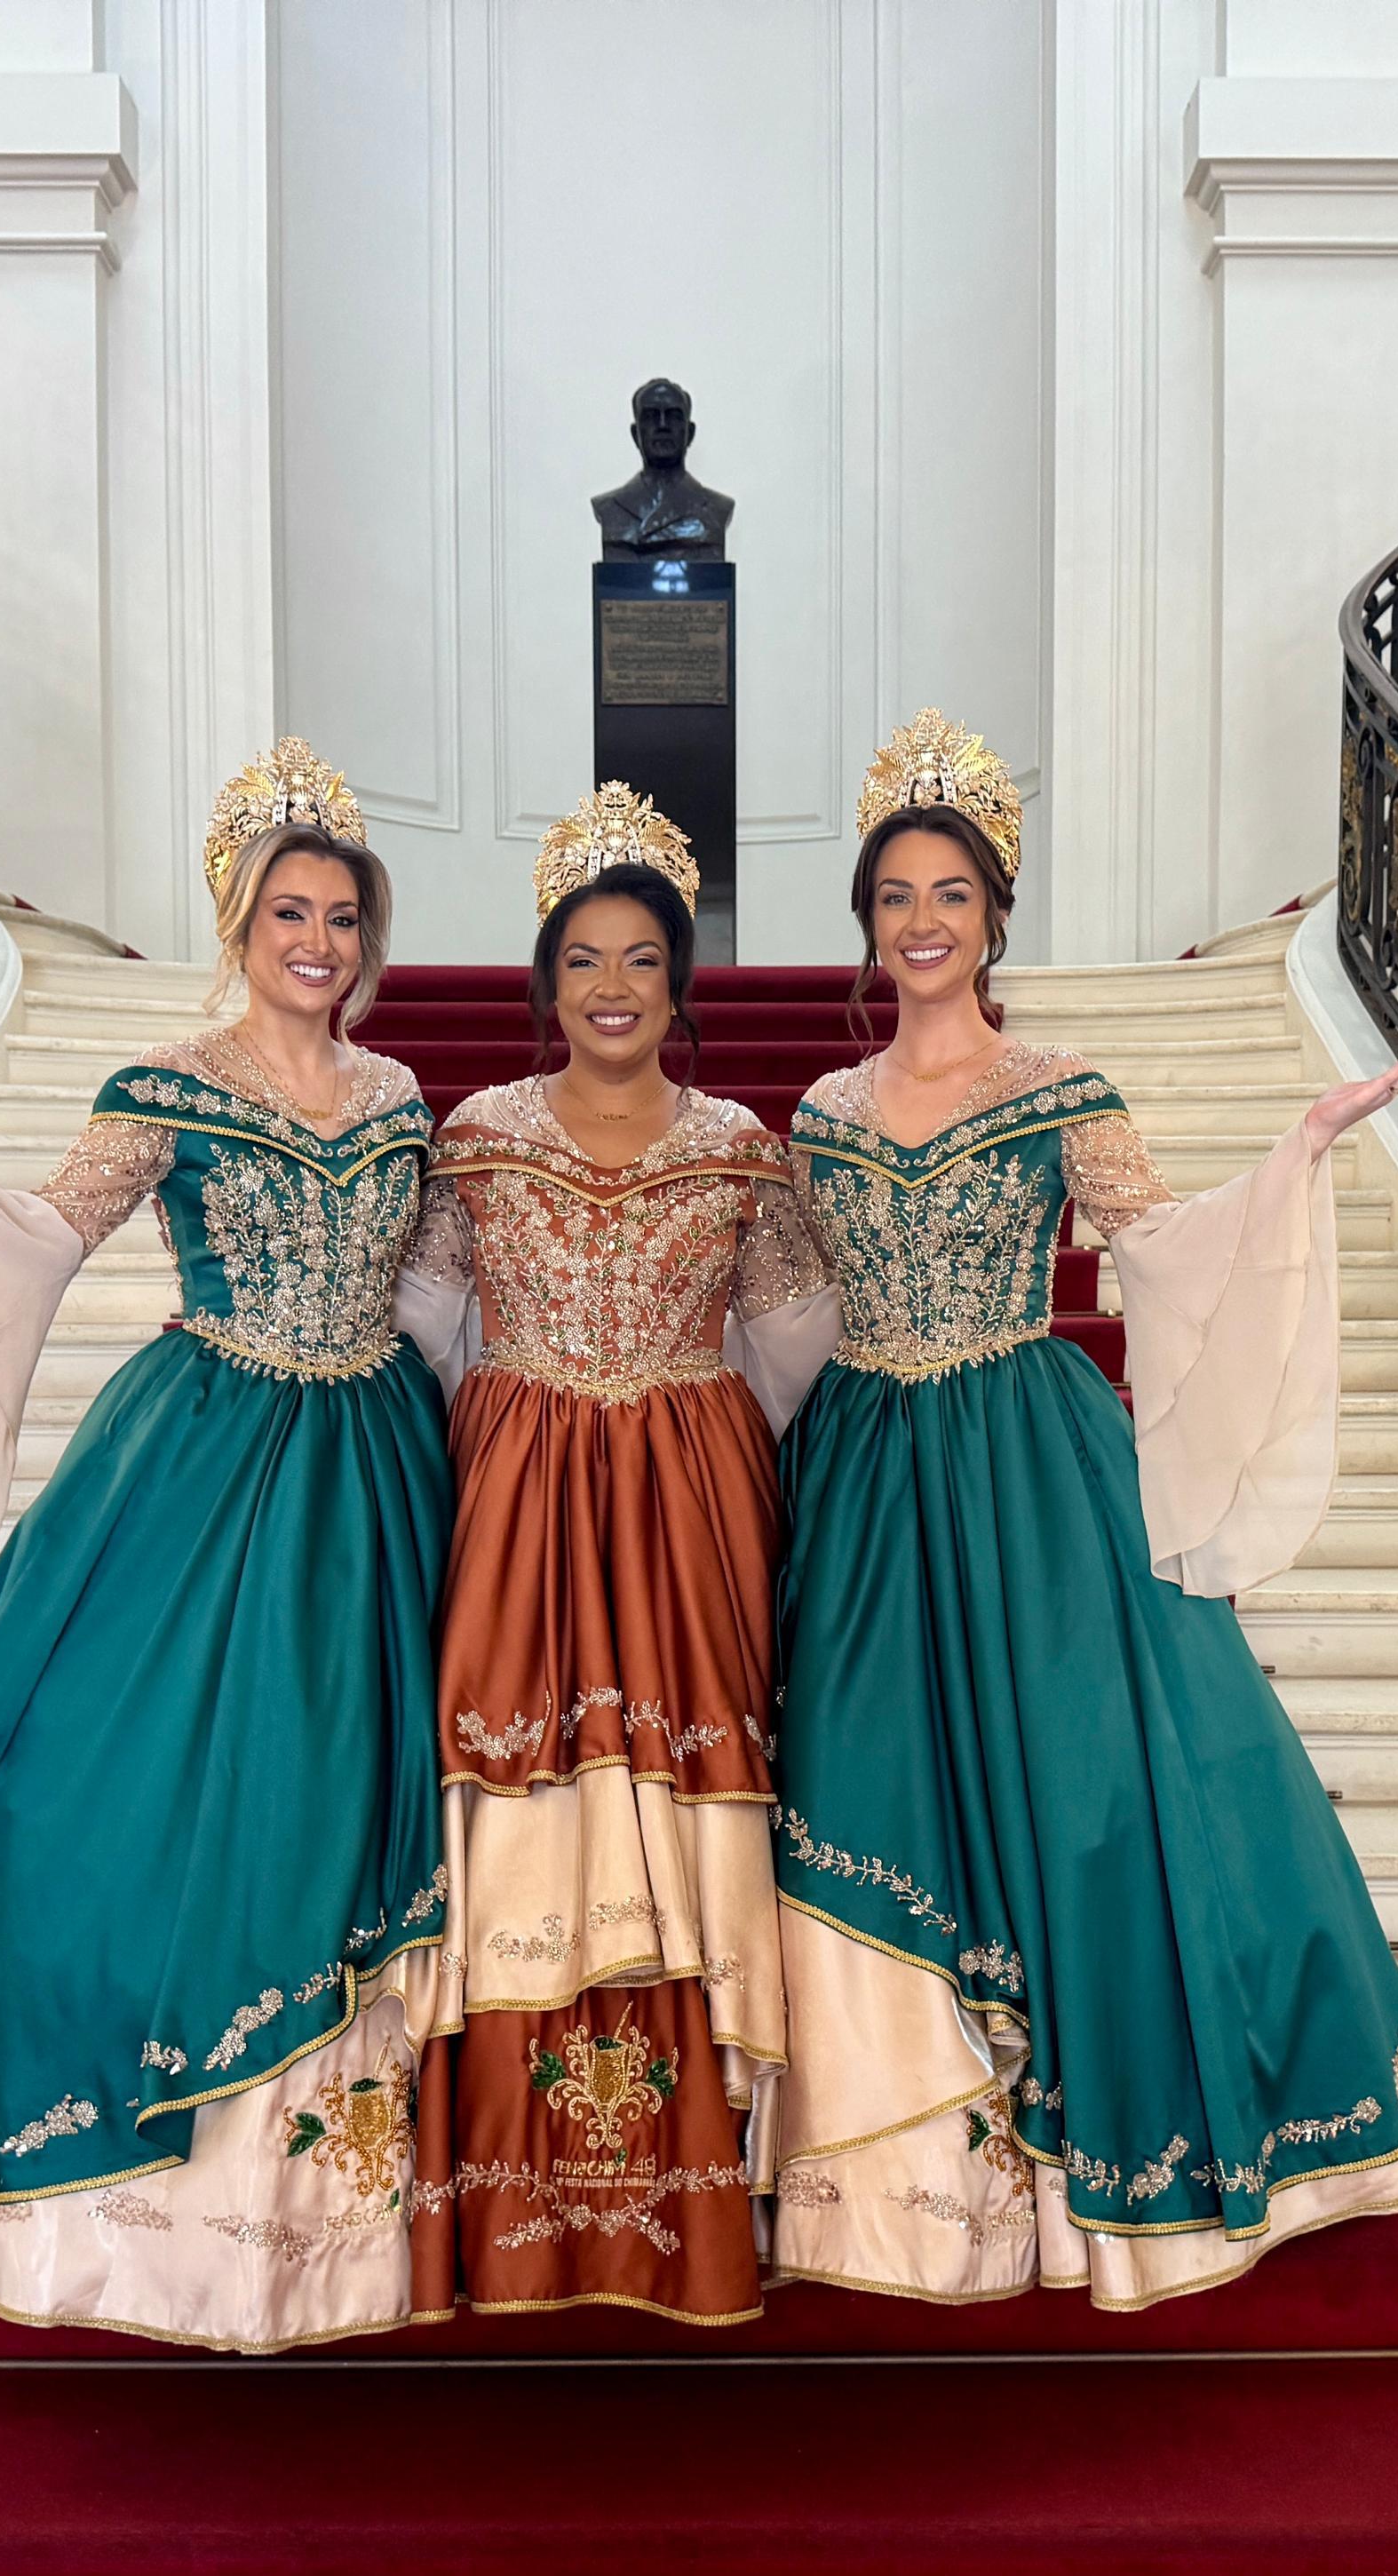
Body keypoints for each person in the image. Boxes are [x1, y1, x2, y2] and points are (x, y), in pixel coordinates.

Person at [0, 736, 453, 2349]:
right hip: (204, 1462)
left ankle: (324, 2217)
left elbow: (433, 1289)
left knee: (348, 1797)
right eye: (290, 913)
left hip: (377, 1477)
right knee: (93, 1777)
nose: (318, 943)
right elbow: (40, 1231)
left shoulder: (400, 1099)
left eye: (343, 917)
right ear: (240, 923)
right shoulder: (166, 1085)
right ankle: (138, 2211)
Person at [746, 710, 1398, 2310]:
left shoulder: (1060, 1085)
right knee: (867, 1774)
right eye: (895, 897)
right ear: (866, 920)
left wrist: (1297, 1151)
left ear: (995, 913)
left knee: (1090, 1789)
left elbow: (1164, 1247)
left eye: (950, 893)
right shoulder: (825, 1113)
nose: (922, 921)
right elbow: (786, 1321)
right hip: (865, 1485)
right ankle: (909, 2185)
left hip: (1028, 1470)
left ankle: (1101, 2159)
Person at [395, 784, 814, 2324]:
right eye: (584, 959)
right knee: (518, 1795)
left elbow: (797, 1351)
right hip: (516, 1511)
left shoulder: (743, 1149)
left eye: (642, 959)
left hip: (690, 1515)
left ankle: (696, 2183)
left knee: (694, 1797)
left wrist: (720, 1465)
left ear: (679, 981)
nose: (614, 986)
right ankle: (513, 2188)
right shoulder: (477, 1139)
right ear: (547, 980)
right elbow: (416, 1333)